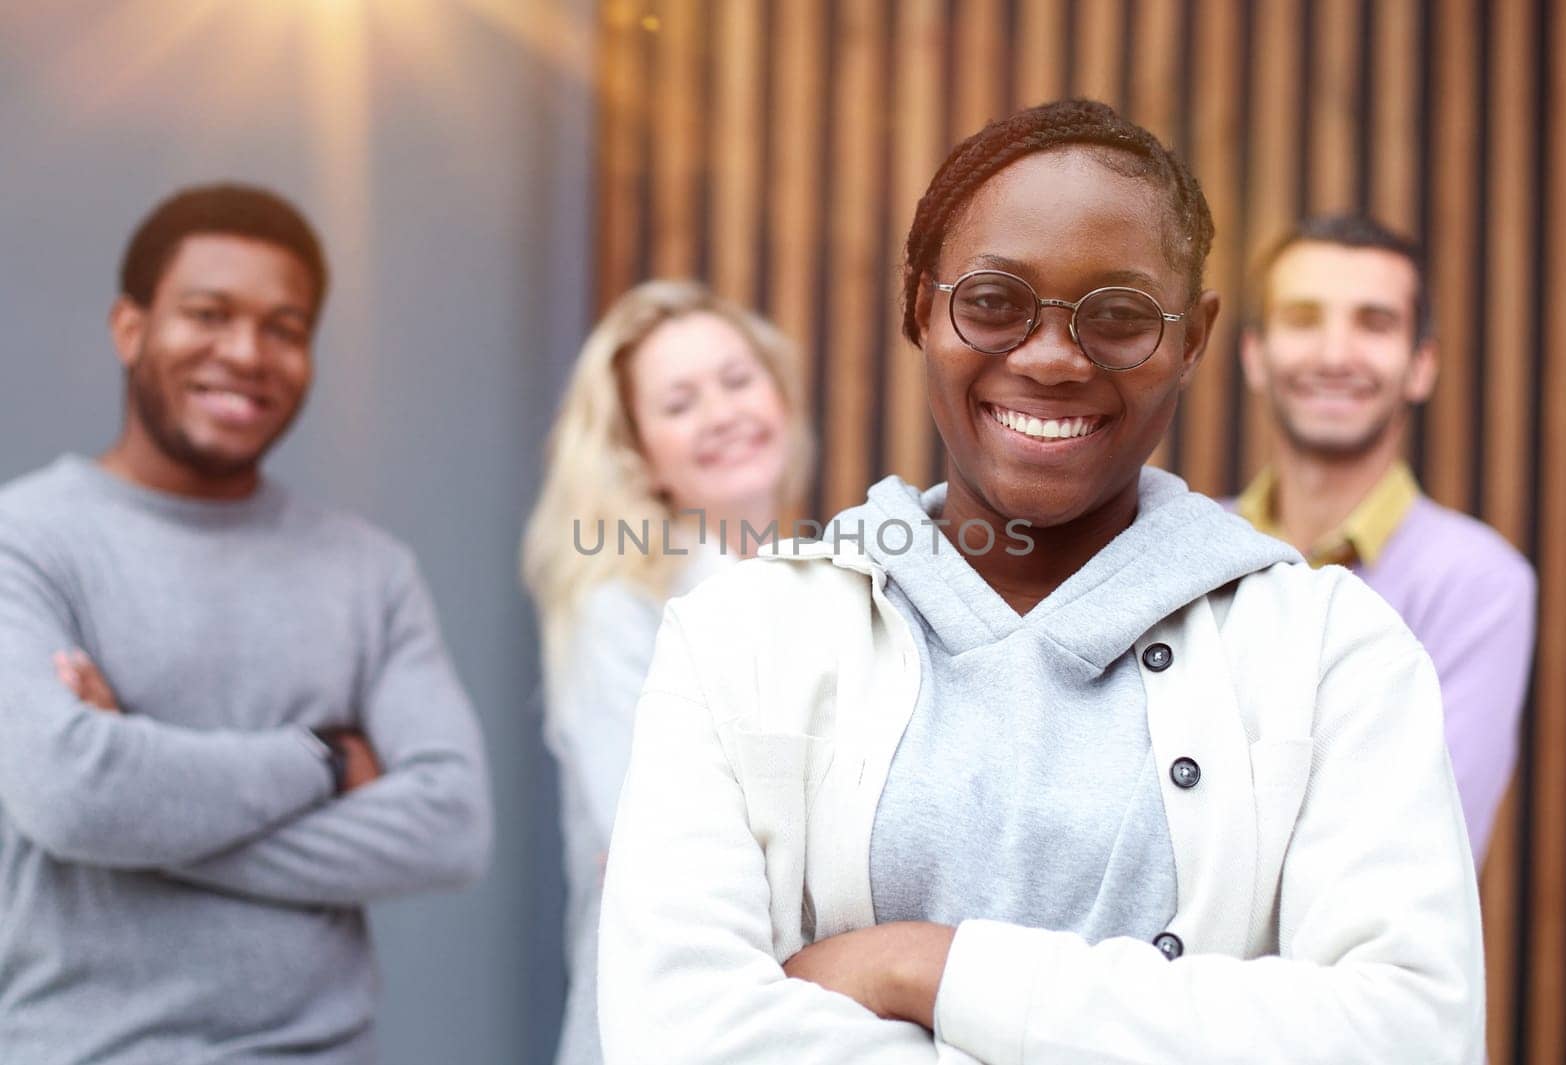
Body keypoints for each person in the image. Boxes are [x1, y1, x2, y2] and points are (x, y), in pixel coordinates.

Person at [596, 100, 1484, 1064]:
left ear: (1194, 341)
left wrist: (926, 966)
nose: (1052, 357)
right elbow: (676, 1032)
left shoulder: (1334, 652)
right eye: (991, 301)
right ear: (918, 308)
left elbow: (1411, 1034)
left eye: (1118, 316)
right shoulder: (739, 637)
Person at [0, 183, 493, 1063]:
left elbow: (452, 824)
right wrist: (324, 760)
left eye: (285, 328)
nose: (247, 352)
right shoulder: (24, 541)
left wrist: (146, 803)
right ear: (130, 327)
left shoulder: (369, 570)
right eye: (208, 313)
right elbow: (69, 794)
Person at [521, 279, 812, 1065]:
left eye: (738, 380)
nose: (722, 415)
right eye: (679, 403)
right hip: (672, 1020)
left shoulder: (829, 581)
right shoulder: (617, 602)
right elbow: (650, 840)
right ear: (638, 451)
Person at [1235, 214, 1536, 871]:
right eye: (1304, 318)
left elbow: (1421, 853)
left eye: (1373, 323)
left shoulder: (1480, 581)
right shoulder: (1186, 549)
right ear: (1255, 355)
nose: (1335, 353)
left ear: (1420, 367)